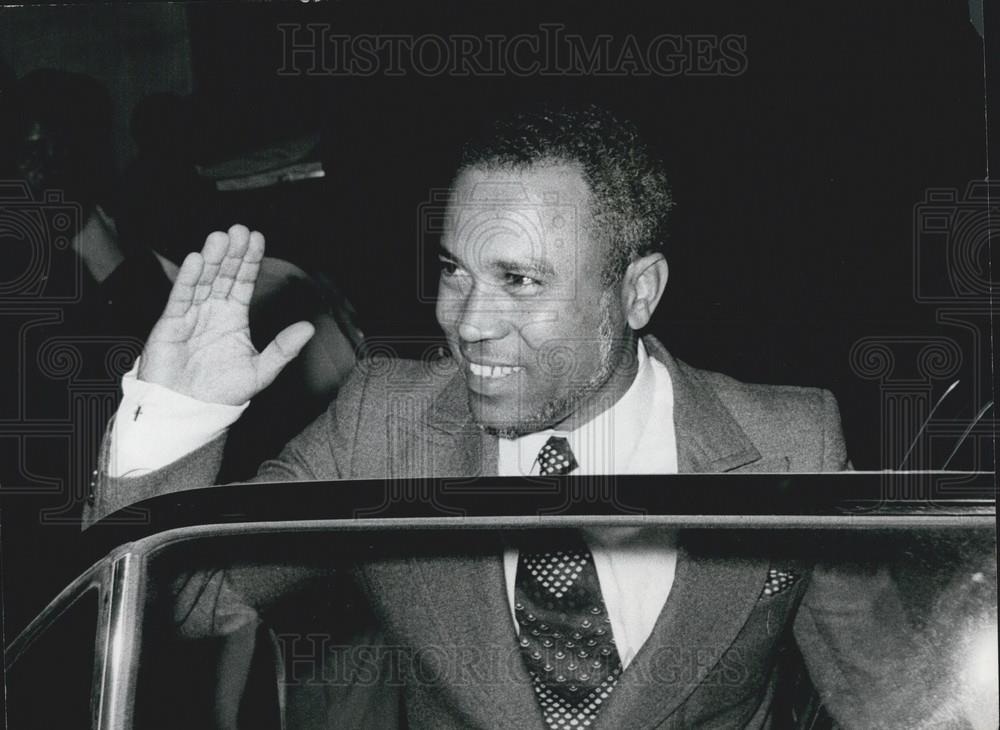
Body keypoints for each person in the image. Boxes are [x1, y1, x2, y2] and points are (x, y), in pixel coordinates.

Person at [85, 106, 925, 729]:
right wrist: (180, 414)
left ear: (637, 293)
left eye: (519, 280)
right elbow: (185, 608)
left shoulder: (787, 446)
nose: (467, 320)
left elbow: (889, 697)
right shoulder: (385, 424)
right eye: (456, 270)